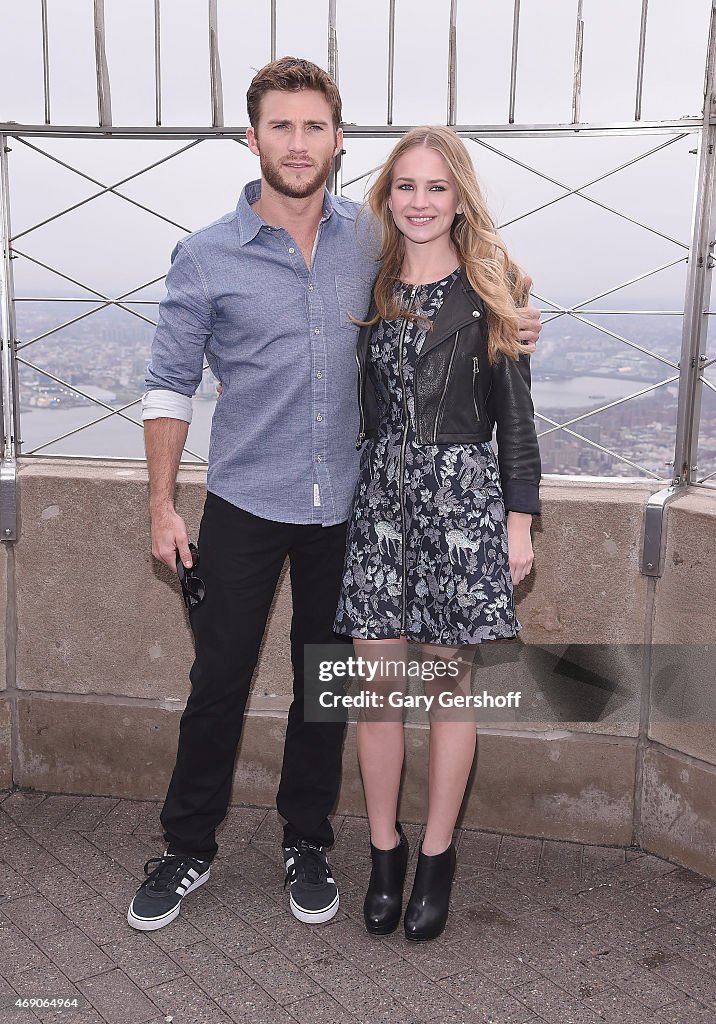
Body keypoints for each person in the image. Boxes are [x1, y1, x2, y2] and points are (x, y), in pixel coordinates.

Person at [128, 57, 542, 933]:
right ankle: (186, 845)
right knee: (219, 682)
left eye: (315, 126)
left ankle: (308, 841)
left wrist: (518, 313)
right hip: (244, 499)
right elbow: (167, 386)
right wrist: (163, 504)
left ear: (339, 141)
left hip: (352, 508)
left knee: (330, 685)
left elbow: (462, 289)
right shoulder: (205, 255)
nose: (298, 142)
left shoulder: (375, 239)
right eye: (281, 125)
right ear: (253, 138)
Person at [333, 125, 541, 941]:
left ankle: (437, 856)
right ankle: (382, 854)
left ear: (459, 198)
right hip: (381, 506)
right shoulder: (369, 283)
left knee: (451, 695)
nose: (420, 203)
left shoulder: (497, 287)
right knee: (378, 696)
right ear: (387, 197)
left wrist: (518, 526)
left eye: (437, 188)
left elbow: (517, 426)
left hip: (462, 503)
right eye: (406, 187)